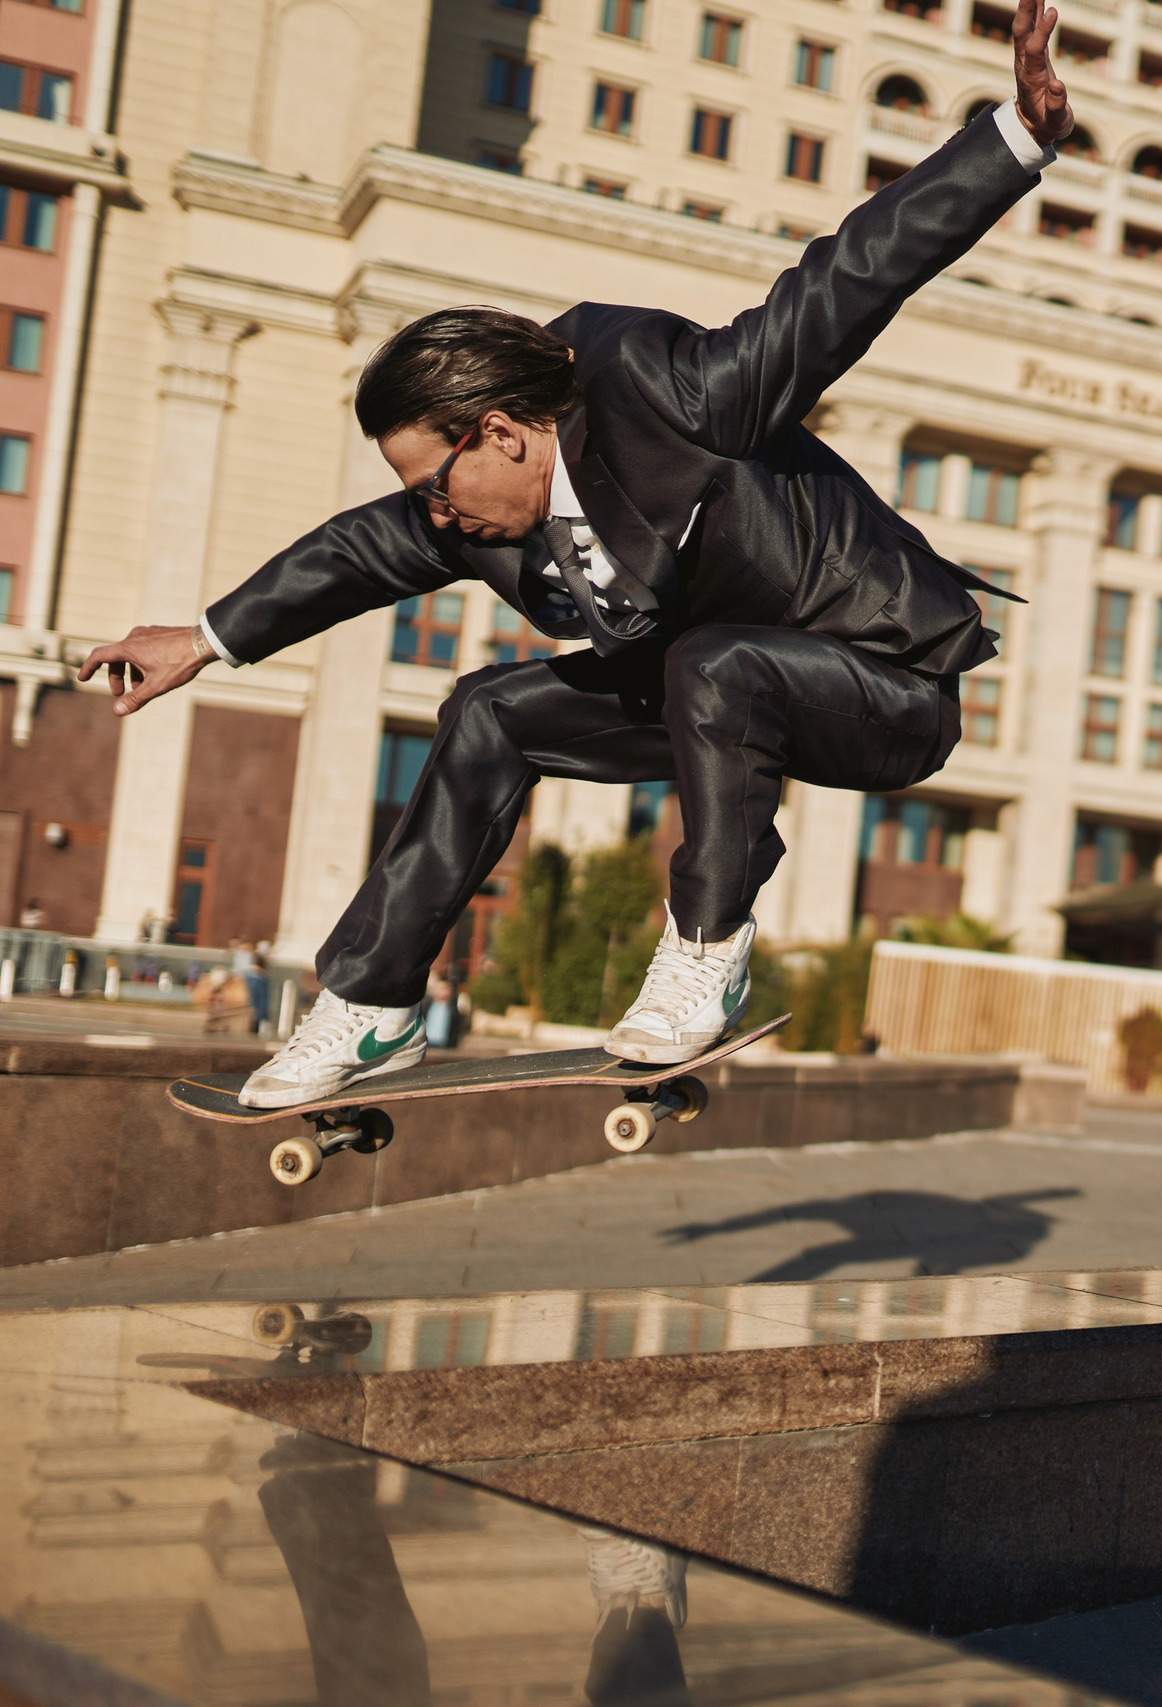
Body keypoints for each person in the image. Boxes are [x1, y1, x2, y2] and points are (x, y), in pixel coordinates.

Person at [77, 0, 1077, 1110]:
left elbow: (846, 281)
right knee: (487, 710)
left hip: (886, 685)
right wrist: (206, 640)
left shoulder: (677, 398)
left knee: (716, 663)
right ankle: (373, 1008)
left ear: (499, 432)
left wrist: (1014, 138)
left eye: (435, 485)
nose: (437, 517)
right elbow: (357, 552)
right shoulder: (477, 512)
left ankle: (705, 950)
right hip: (715, 696)